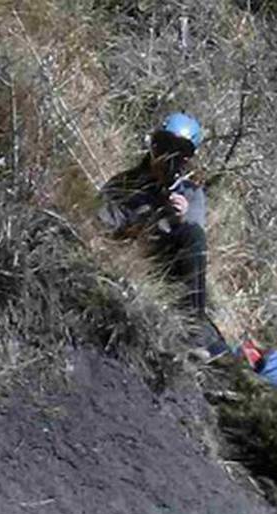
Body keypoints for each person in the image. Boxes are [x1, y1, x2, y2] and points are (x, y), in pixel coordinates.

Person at [99, 112, 223, 355]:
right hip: (132, 265)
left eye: (179, 152)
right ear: (154, 145)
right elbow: (101, 227)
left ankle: (195, 331)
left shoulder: (190, 193)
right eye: (165, 146)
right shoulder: (124, 183)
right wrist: (147, 216)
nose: (170, 156)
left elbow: (194, 239)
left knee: (219, 350)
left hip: (171, 275)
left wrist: (180, 216)